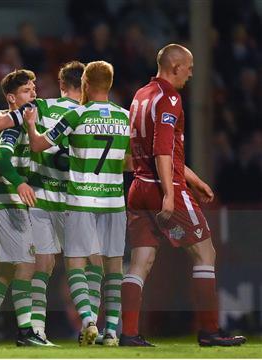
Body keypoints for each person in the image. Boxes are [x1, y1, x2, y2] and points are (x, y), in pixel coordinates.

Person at [120, 43, 246, 347]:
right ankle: (209, 330)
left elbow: (156, 150)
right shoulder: (169, 97)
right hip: (165, 188)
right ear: (175, 67)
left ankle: (129, 334)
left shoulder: (140, 96)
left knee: (141, 262)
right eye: (188, 68)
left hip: (138, 188)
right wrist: (169, 193)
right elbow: (162, 149)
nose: (191, 74)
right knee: (205, 254)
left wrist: (196, 179)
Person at [24, 61, 131, 346]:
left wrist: (32, 126)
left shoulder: (77, 115)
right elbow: (131, 161)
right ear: (109, 84)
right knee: (113, 264)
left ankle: (87, 320)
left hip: (82, 197)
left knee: (75, 262)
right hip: (114, 200)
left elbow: (38, 146)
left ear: (85, 83)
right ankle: (111, 332)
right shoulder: (125, 116)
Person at [0, 70, 48, 347]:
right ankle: (26, 332)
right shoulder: (13, 125)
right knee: (27, 264)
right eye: (27, 91)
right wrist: (19, 184)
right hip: (8, 200)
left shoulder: (19, 122)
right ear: (13, 98)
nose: (34, 94)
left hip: (2, 200)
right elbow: (2, 159)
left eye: (34, 88)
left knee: (3, 270)